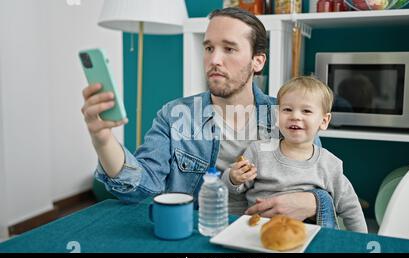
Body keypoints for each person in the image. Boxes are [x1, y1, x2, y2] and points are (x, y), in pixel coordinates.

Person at [80, 7, 336, 227]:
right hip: (195, 236)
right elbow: (141, 188)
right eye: (209, 47)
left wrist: (314, 201)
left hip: (265, 237)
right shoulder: (174, 115)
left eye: (229, 49)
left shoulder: (288, 118)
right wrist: (103, 140)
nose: (214, 60)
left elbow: (326, 186)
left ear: (257, 61)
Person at [223, 76, 367, 232]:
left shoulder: (330, 164)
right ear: (277, 116)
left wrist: (361, 241)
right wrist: (233, 178)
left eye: (306, 111)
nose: (295, 116)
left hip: (308, 236)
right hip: (258, 231)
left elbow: (351, 208)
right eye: (287, 109)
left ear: (324, 121)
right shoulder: (258, 151)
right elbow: (233, 187)